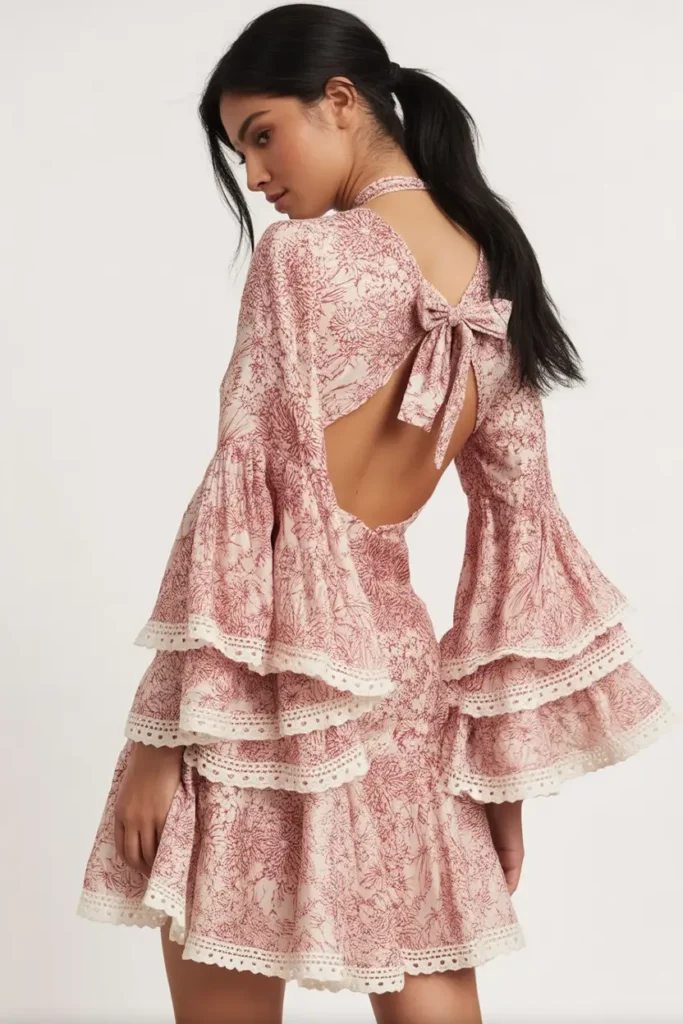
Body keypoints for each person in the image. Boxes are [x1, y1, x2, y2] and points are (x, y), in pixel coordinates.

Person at [76, 4, 678, 1022]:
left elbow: (244, 501)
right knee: (429, 986)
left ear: (341, 100)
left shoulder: (304, 260)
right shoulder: (494, 275)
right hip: (403, 687)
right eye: (239, 153)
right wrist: (495, 776)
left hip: (265, 681)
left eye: (262, 135)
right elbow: (518, 536)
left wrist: (158, 741)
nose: (256, 177)